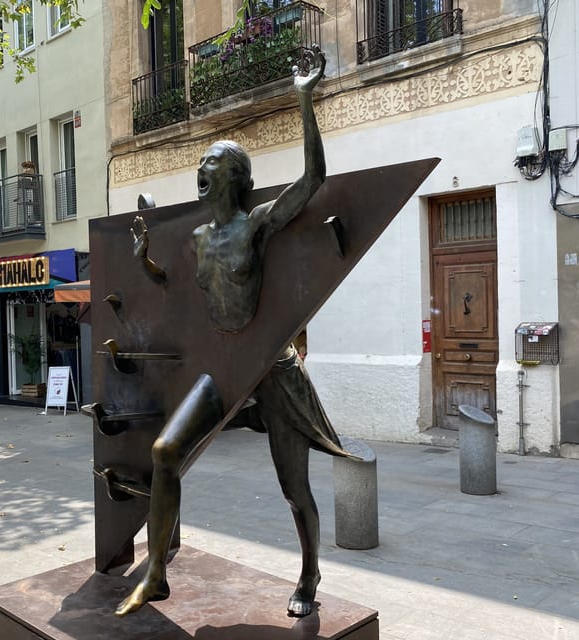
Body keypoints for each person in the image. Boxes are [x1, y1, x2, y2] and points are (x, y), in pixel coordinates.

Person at [119, 47, 353, 619]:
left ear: (235, 177)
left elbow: (314, 179)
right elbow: (177, 291)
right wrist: (146, 261)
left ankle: (309, 571)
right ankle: (155, 574)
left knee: (294, 490)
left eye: (210, 163)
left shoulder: (258, 223)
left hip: (270, 369)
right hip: (223, 366)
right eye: (200, 163)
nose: (200, 171)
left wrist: (304, 97)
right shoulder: (198, 239)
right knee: (164, 450)